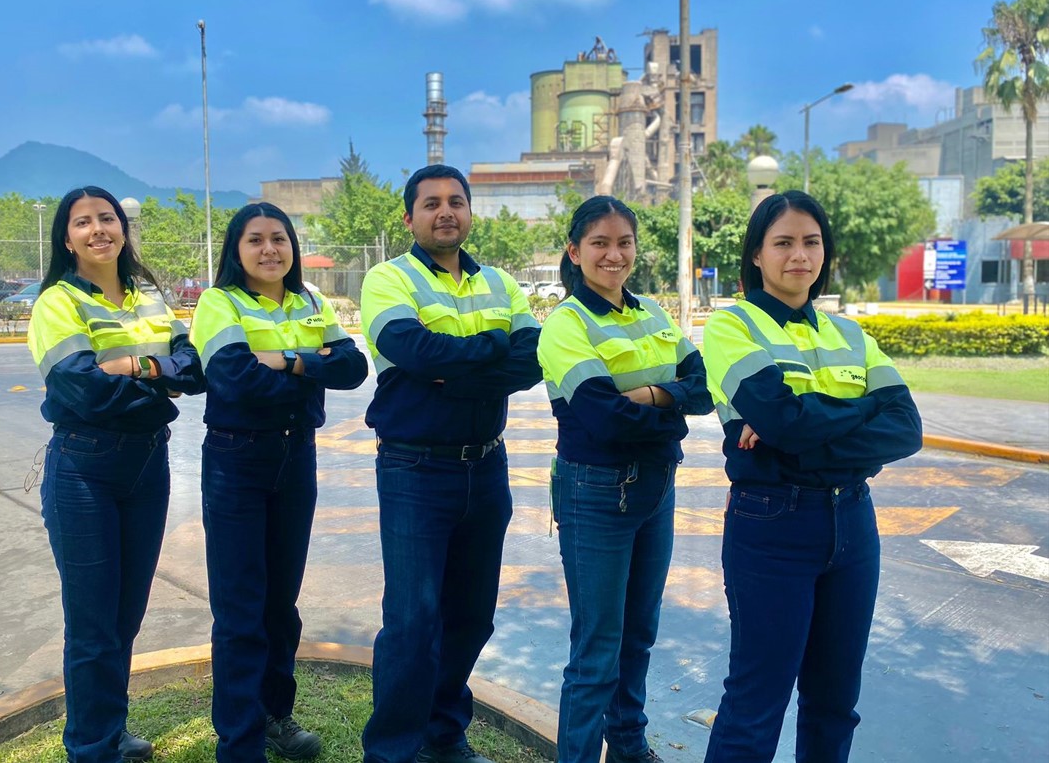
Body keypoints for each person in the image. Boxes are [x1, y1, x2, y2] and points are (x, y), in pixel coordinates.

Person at [700, 191, 923, 763]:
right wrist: (856, 412)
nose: (799, 255)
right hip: (772, 524)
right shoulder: (732, 327)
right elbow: (786, 422)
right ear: (756, 254)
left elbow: (905, 427)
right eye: (783, 243)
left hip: (854, 524)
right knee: (756, 703)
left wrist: (798, 432)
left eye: (811, 242)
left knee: (835, 702)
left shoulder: (851, 334)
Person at [359, 164, 543, 763]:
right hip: (415, 470)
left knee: (471, 616)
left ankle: (442, 736)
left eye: (456, 202)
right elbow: (410, 348)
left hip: (486, 469)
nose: (446, 212)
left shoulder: (501, 283)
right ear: (409, 217)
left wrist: (453, 375)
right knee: (413, 621)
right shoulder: (389, 279)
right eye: (432, 203)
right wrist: (492, 349)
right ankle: (391, 751)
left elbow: (533, 358)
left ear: (469, 212)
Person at [27, 186, 205, 763]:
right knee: (93, 621)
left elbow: (193, 369)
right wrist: (158, 380)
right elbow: (82, 389)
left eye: (107, 218)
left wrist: (132, 365)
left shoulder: (147, 296)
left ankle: (110, 730)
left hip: (148, 466)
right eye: (83, 222)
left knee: (125, 615)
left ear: (123, 230)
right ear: (66, 238)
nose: (98, 229)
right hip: (85, 470)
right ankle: (91, 748)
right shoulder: (57, 302)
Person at [190, 202, 368, 763]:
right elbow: (234, 379)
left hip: (296, 459)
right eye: (256, 240)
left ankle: (274, 716)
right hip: (237, 460)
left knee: (281, 604)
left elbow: (353, 367)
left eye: (279, 238)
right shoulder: (219, 303)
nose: (269, 249)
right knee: (241, 608)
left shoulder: (309, 301)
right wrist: (311, 365)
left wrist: (285, 359)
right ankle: (239, 743)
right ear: (236, 250)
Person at [537, 197, 712, 763]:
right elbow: (605, 419)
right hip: (596, 493)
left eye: (624, 243)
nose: (614, 255)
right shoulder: (566, 324)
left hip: (657, 487)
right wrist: (672, 406)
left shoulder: (653, 313)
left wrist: (652, 394)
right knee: (597, 649)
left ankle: (630, 747)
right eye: (600, 244)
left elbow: (706, 387)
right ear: (575, 251)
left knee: (638, 634)